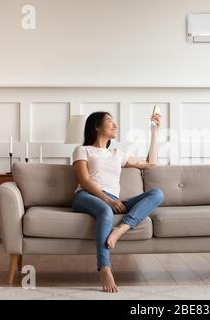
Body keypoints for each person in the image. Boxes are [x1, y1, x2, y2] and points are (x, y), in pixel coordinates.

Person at [71, 111, 164, 293]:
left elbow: (151, 163)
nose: (115, 125)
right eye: (109, 121)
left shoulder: (117, 153)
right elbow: (84, 180)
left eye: (114, 122)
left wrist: (154, 131)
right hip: (86, 196)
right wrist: (107, 200)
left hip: (113, 200)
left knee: (157, 194)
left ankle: (121, 229)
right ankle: (105, 268)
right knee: (105, 211)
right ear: (96, 127)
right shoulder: (82, 150)